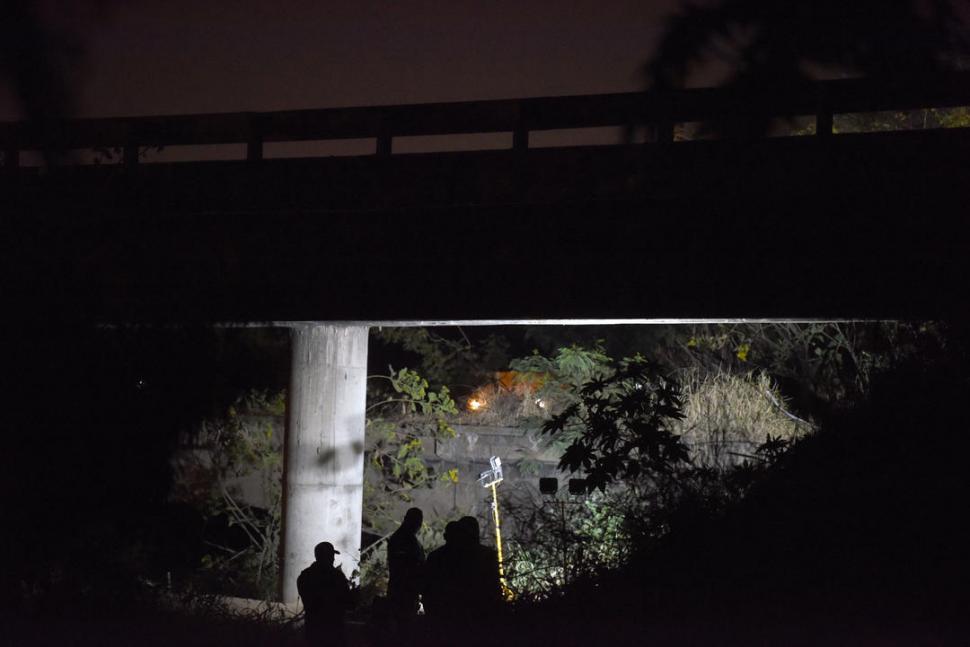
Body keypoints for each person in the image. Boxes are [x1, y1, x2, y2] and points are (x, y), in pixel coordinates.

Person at [297, 541, 352, 646]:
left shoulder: (305, 576)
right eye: (331, 556)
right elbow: (348, 602)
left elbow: (308, 600)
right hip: (335, 629)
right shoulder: (337, 577)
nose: (334, 559)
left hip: (312, 629)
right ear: (328, 557)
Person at [387, 507, 425, 637]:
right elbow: (406, 567)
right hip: (403, 591)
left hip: (404, 590)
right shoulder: (402, 539)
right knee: (403, 628)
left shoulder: (404, 538)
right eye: (417, 522)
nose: (418, 526)